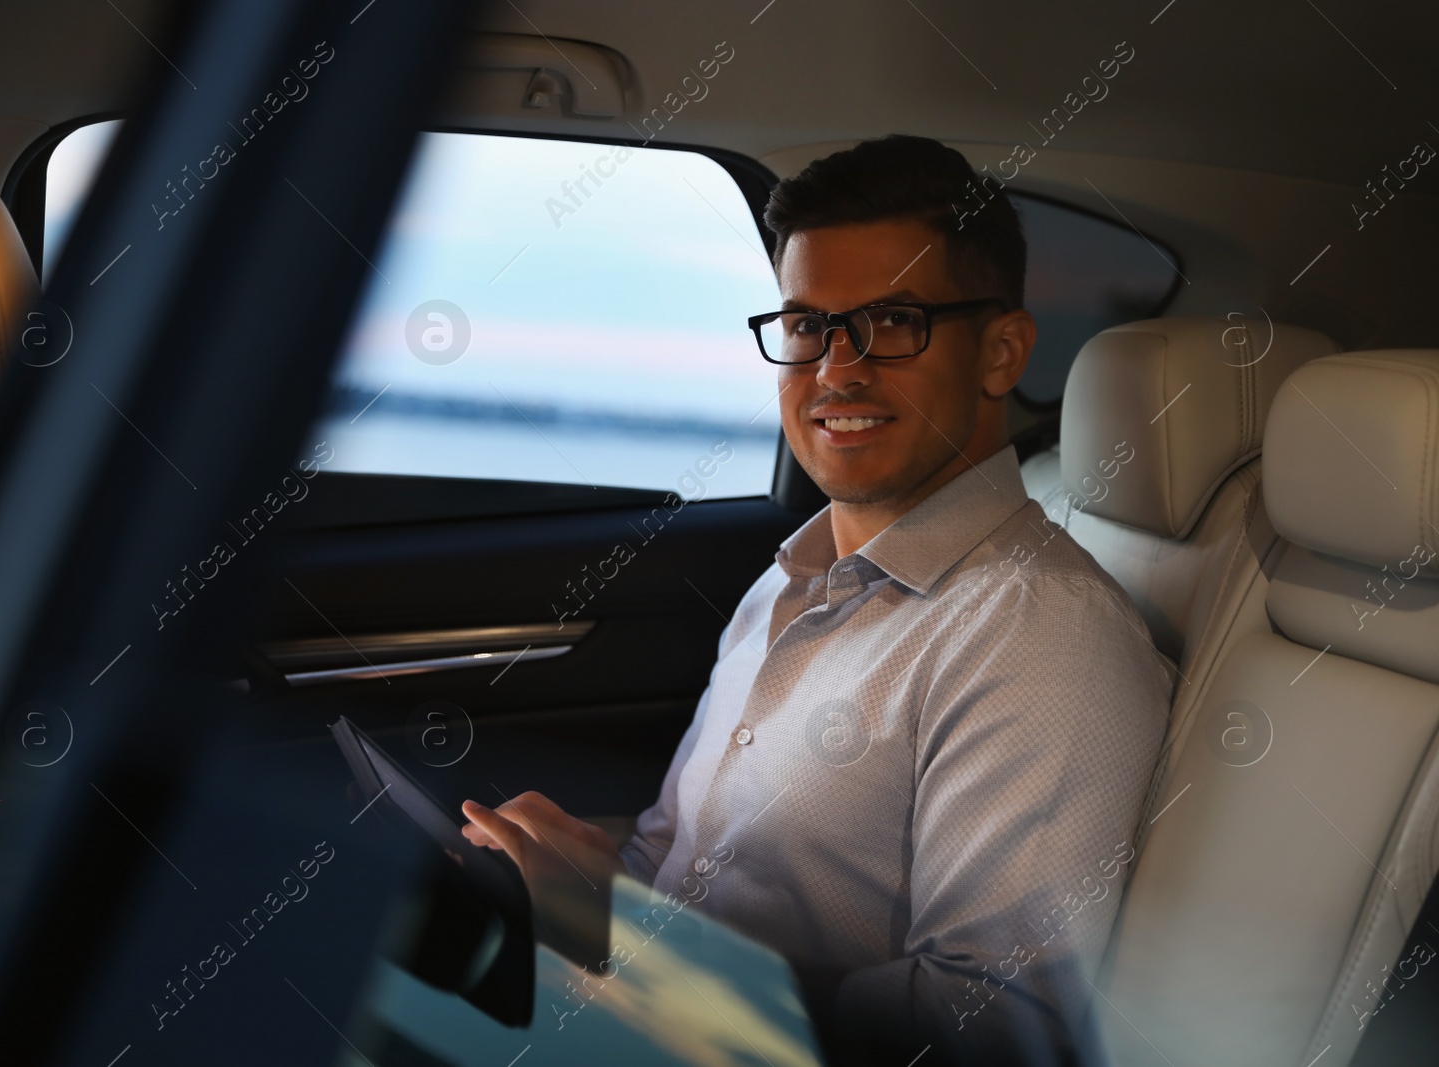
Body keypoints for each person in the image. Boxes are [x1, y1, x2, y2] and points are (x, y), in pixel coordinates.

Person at [461, 134, 1171, 1065]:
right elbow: (668, 860)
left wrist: (630, 946)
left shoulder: (1041, 634)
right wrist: (559, 874)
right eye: (806, 326)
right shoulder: (787, 581)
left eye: (893, 321)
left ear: (1001, 352)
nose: (837, 369)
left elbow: (991, 1029)